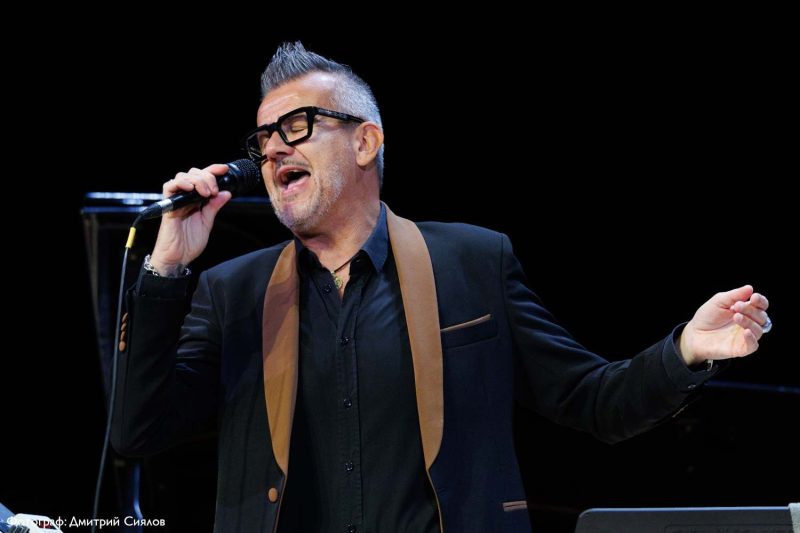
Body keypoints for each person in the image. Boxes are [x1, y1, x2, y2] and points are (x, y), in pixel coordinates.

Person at [110, 42, 772, 533]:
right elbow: (136, 431)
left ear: (365, 142)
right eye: (263, 139)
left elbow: (591, 400)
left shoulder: (472, 263)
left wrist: (685, 350)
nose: (274, 149)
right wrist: (166, 269)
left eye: (296, 127)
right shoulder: (234, 292)